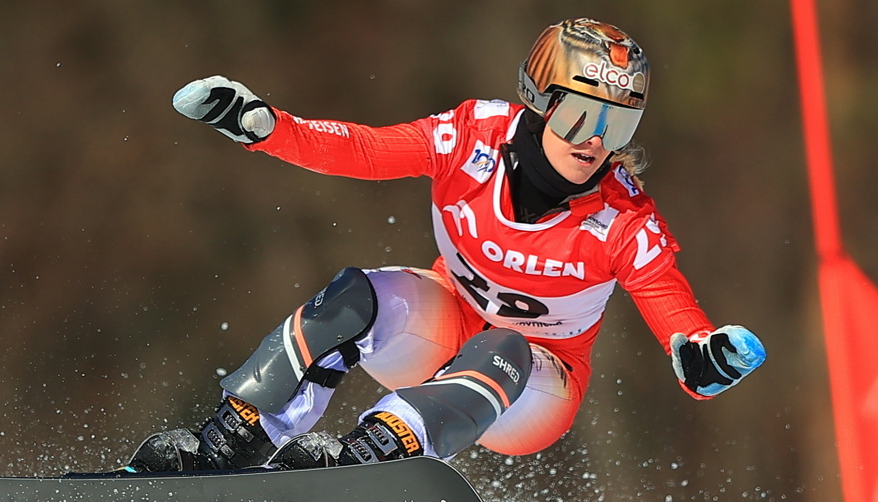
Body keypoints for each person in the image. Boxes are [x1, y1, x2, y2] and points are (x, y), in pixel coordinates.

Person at [123, 17, 766, 473]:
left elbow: (673, 309)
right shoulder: (472, 137)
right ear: (540, 104)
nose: (594, 140)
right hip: (438, 338)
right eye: (578, 115)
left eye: (617, 123)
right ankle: (235, 437)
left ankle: (376, 456)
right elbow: (366, 150)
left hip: (532, 392)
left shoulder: (622, 215)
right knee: (357, 292)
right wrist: (265, 127)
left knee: (502, 343)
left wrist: (699, 356)